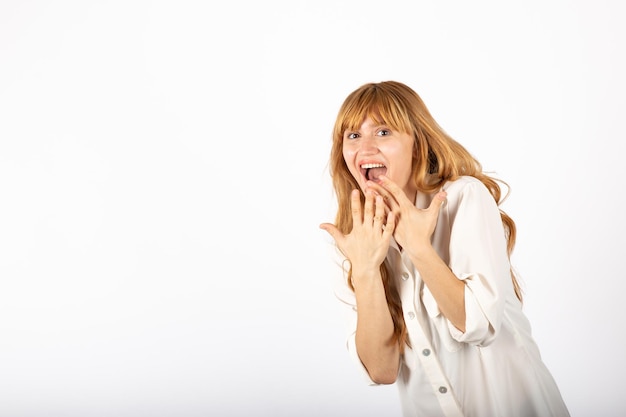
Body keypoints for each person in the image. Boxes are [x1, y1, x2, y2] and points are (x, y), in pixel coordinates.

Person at [319, 81, 570, 417]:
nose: (365, 147)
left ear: (417, 145)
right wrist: (365, 272)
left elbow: (480, 325)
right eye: (352, 135)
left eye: (382, 132)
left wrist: (419, 248)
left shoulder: (464, 198)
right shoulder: (354, 238)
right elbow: (381, 370)